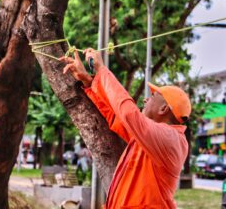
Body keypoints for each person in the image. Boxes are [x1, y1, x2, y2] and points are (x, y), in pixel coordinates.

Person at [60, 49, 191, 209]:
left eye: (152, 97)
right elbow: (115, 116)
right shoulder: (148, 138)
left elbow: (128, 113)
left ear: (163, 109)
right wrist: (89, 82)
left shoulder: (171, 139)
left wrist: (101, 70)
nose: (145, 99)